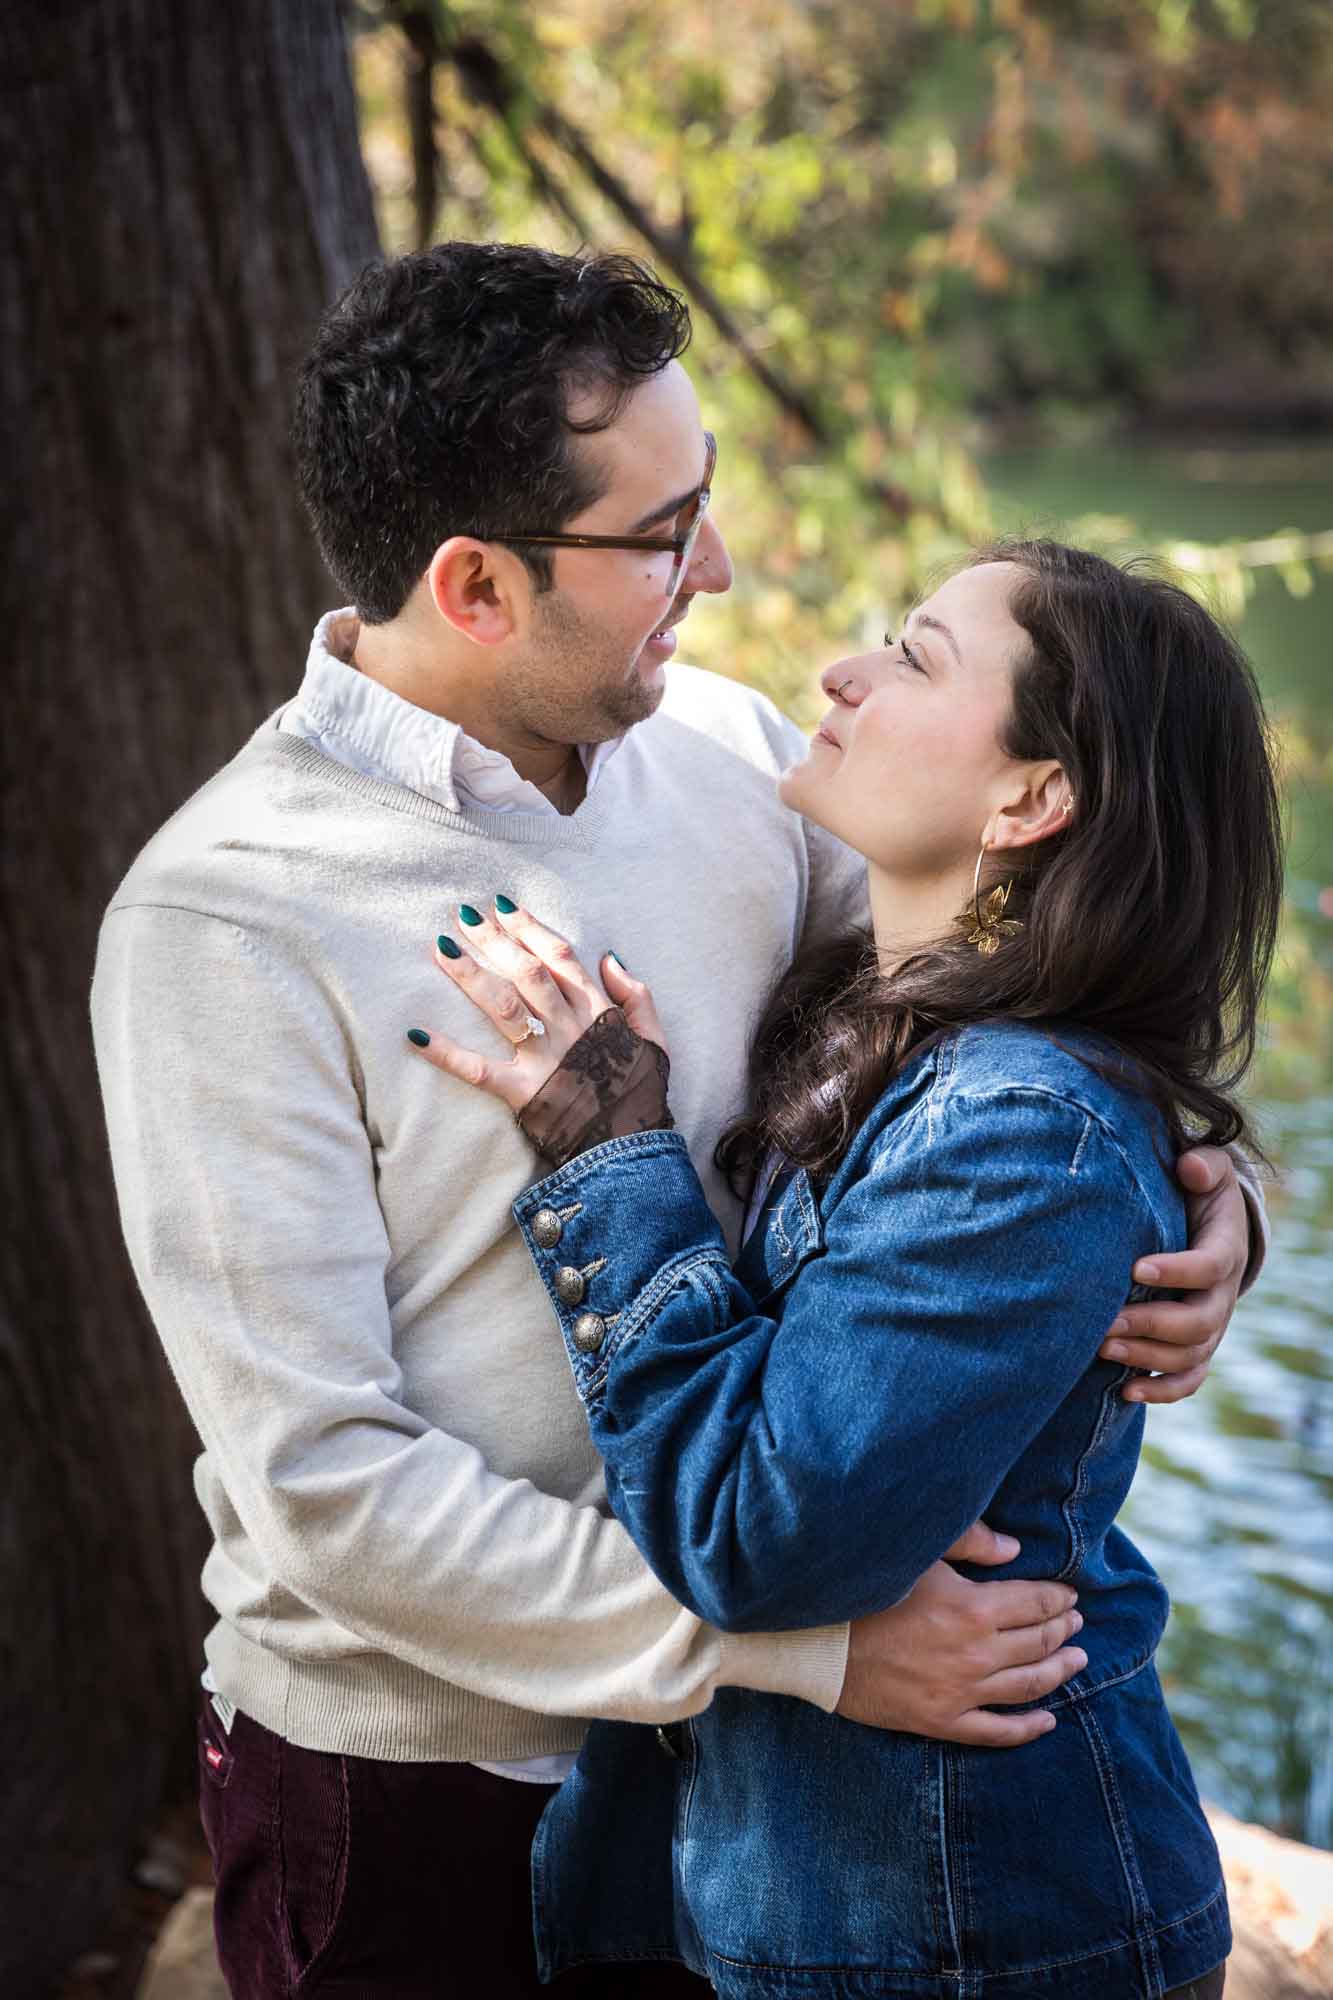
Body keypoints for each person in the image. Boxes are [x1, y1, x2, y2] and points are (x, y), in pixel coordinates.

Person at [92, 246, 1259, 1999]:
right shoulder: (229, 916)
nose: (713, 571)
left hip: (722, 1800)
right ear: (477, 583)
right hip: (423, 1786)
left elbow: (1007, 1026)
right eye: (660, 537)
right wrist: (799, 1653)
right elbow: (325, 1488)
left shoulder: (723, 753)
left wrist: (1201, 1192)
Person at [413, 537, 1283, 1999]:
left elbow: (758, 1544)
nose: (839, 668)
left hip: (979, 1930)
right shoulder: (871, 1014)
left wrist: (608, 1155)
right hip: (804, 1891)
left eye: (915, 658)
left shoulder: (1016, 1130)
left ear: (1030, 797)